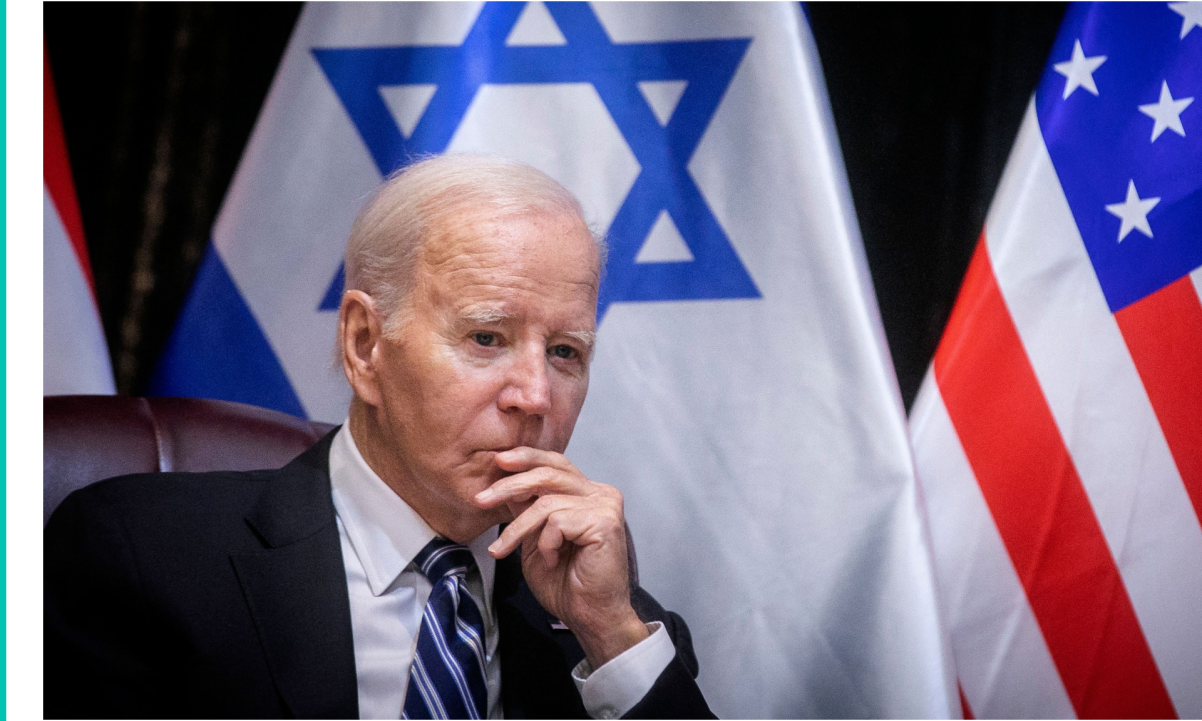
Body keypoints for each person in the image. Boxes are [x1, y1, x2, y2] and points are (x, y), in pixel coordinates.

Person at [43, 154, 714, 720]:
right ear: (366, 344)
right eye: (486, 337)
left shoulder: (607, 624)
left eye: (566, 352)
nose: (535, 396)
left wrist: (613, 635)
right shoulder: (142, 555)